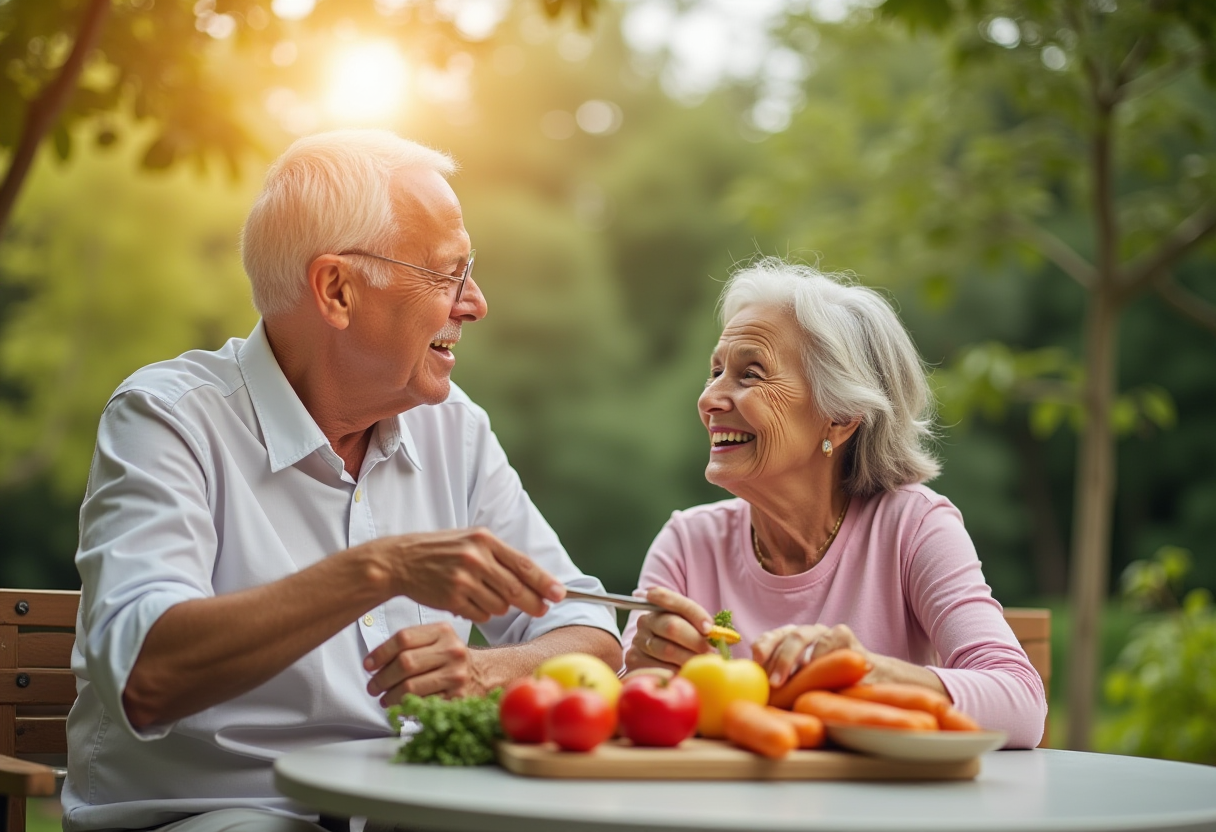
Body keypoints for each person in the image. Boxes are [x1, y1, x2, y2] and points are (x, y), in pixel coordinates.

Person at [62, 130, 621, 832]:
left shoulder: (455, 429)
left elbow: (589, 631)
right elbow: (147, 675)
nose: (475, 303)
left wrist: (489, 672)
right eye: (448, 274)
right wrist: (377, 570)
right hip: (216, 815)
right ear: (337, 290)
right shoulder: (167, 418)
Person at [622, 257, 1046, 748]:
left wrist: (866, 671)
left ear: (840, 417)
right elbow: (625, 707)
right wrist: (643, 670)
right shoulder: (687, 542)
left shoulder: (912, 526)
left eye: (750, 374)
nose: (709, 399)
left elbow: (1021, 703)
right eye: (715, 371)